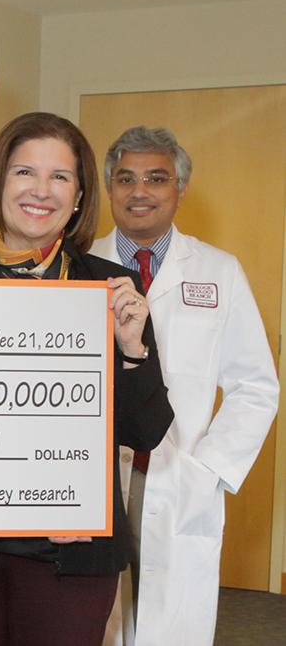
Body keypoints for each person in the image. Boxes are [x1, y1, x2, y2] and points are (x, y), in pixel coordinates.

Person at [0, 112, 173, 646]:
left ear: (79, 195)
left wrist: (131, 349)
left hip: (71, 547)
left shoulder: (110, 285)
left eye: (60, 177)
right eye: (24, 172)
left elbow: (144, 432)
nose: (41, 190)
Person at [90, 127, 278, 646]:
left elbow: (255, 386)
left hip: (178, 471)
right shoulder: (79, 265)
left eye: (156, 177)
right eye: (125, 178)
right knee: (93, 614)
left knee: (169, 620)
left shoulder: (219, 272)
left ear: (180, 188)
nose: (139, 191)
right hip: (97, 470)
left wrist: (211, 468)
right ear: (109, 189)